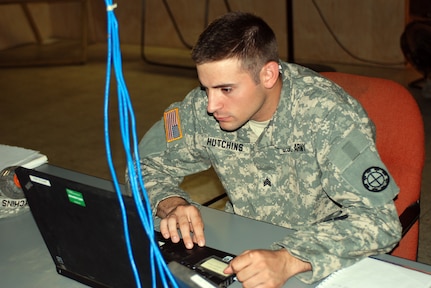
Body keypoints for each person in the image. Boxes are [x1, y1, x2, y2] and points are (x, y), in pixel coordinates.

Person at [136, 11, 402, 287]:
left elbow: (380, 222)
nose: (211, 105)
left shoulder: (328, 116)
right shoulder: (200, 108)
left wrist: (289, 259)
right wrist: (171, 203)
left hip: (320, 255)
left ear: (268, 74)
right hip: (239, 244)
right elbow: (144, 164)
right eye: (206, 87)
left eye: (226, 89)